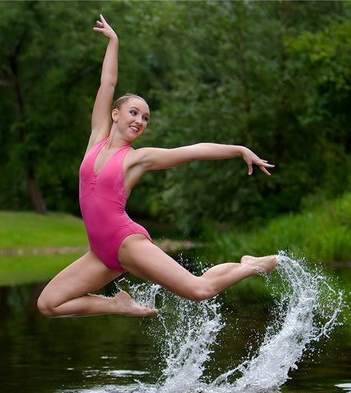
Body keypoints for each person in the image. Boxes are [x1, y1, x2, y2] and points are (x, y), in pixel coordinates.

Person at [37, 15, 277, 318]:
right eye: (134, 113)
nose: (139, 121)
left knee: (199, 290)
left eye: (146, 118)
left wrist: (238, 149)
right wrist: (114, 41)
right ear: (115, 114)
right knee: (48, 304)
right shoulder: (96, 137)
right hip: (100, 254)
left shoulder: (137, 158)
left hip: (125, 243)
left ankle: (249, 265)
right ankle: (116, 305)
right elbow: (107, 82)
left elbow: (191, 151)